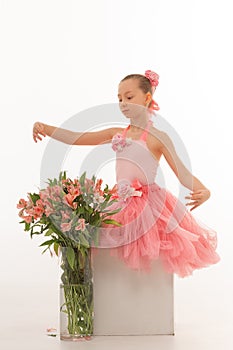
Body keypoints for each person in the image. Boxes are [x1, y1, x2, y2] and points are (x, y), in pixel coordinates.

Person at [33, 70, 220, 277]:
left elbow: (183, 173)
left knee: (148, 260)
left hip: (149, 204)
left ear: (147, 98)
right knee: (111, 259)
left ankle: (144, 299)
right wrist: (46, 128)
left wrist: (204, 191)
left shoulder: (158, 137)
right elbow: (78, 138)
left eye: (129, 97)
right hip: (119, 202)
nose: (123, 103)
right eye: (119, 98)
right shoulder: (117, 133)